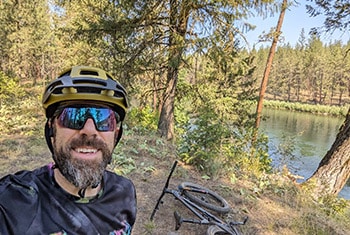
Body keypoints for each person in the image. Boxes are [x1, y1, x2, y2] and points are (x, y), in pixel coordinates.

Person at [0, 66, 137, 234]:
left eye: (104, 118)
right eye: (72, 116)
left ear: (116, 134)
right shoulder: (12, 203)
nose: (89, 130)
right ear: (52, 129)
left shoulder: (125, 193)